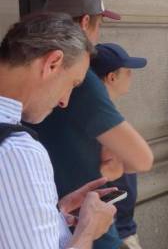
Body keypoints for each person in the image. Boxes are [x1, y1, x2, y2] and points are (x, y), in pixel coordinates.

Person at [30, 0, 154, 249]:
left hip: (43, 228)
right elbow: (142, 158)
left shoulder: (31, 69)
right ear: (86, 22)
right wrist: (113, 166)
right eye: (100, 25)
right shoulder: (83, 80)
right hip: (88, 232)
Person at [0, 12, 117, 248]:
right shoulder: (18, 151)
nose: (64, 100)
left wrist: (54, 213)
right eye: (72, 84)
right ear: (52, 63)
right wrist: (88, 230)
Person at [90, 44, 149, 249]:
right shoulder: (97, 117)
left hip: (121, 226)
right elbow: (139, 162)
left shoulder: (104, 112)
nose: (131, 75)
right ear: (111, 77)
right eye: (127, 71)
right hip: (115, 231)